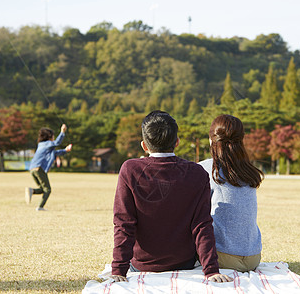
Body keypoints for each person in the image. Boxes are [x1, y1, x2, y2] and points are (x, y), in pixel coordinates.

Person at [111, 111, 232, 283]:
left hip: (142, 264)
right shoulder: (197, 173)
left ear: (144, 146)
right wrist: (211, 270)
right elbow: (202, 224)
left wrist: (118, 270)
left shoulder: (130, 170)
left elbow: (124, 223)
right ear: (177, 142)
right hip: (185, 262)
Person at [199, 114, 264, 272]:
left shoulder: (206, 168)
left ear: (210, 140)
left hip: (221, 257)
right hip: (253, 257)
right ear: (241, 140)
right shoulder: (249, 171)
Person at [25, 124, 72, 211]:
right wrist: (62, 132)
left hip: (32, 169)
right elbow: (57, 143)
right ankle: (40, 207)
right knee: (48, 189)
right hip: (39, 168)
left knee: (43, 189)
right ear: (50, 136)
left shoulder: (41, 145)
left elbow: (55, 153)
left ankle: (31, 190)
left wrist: (65, 150)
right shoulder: (46, 144)